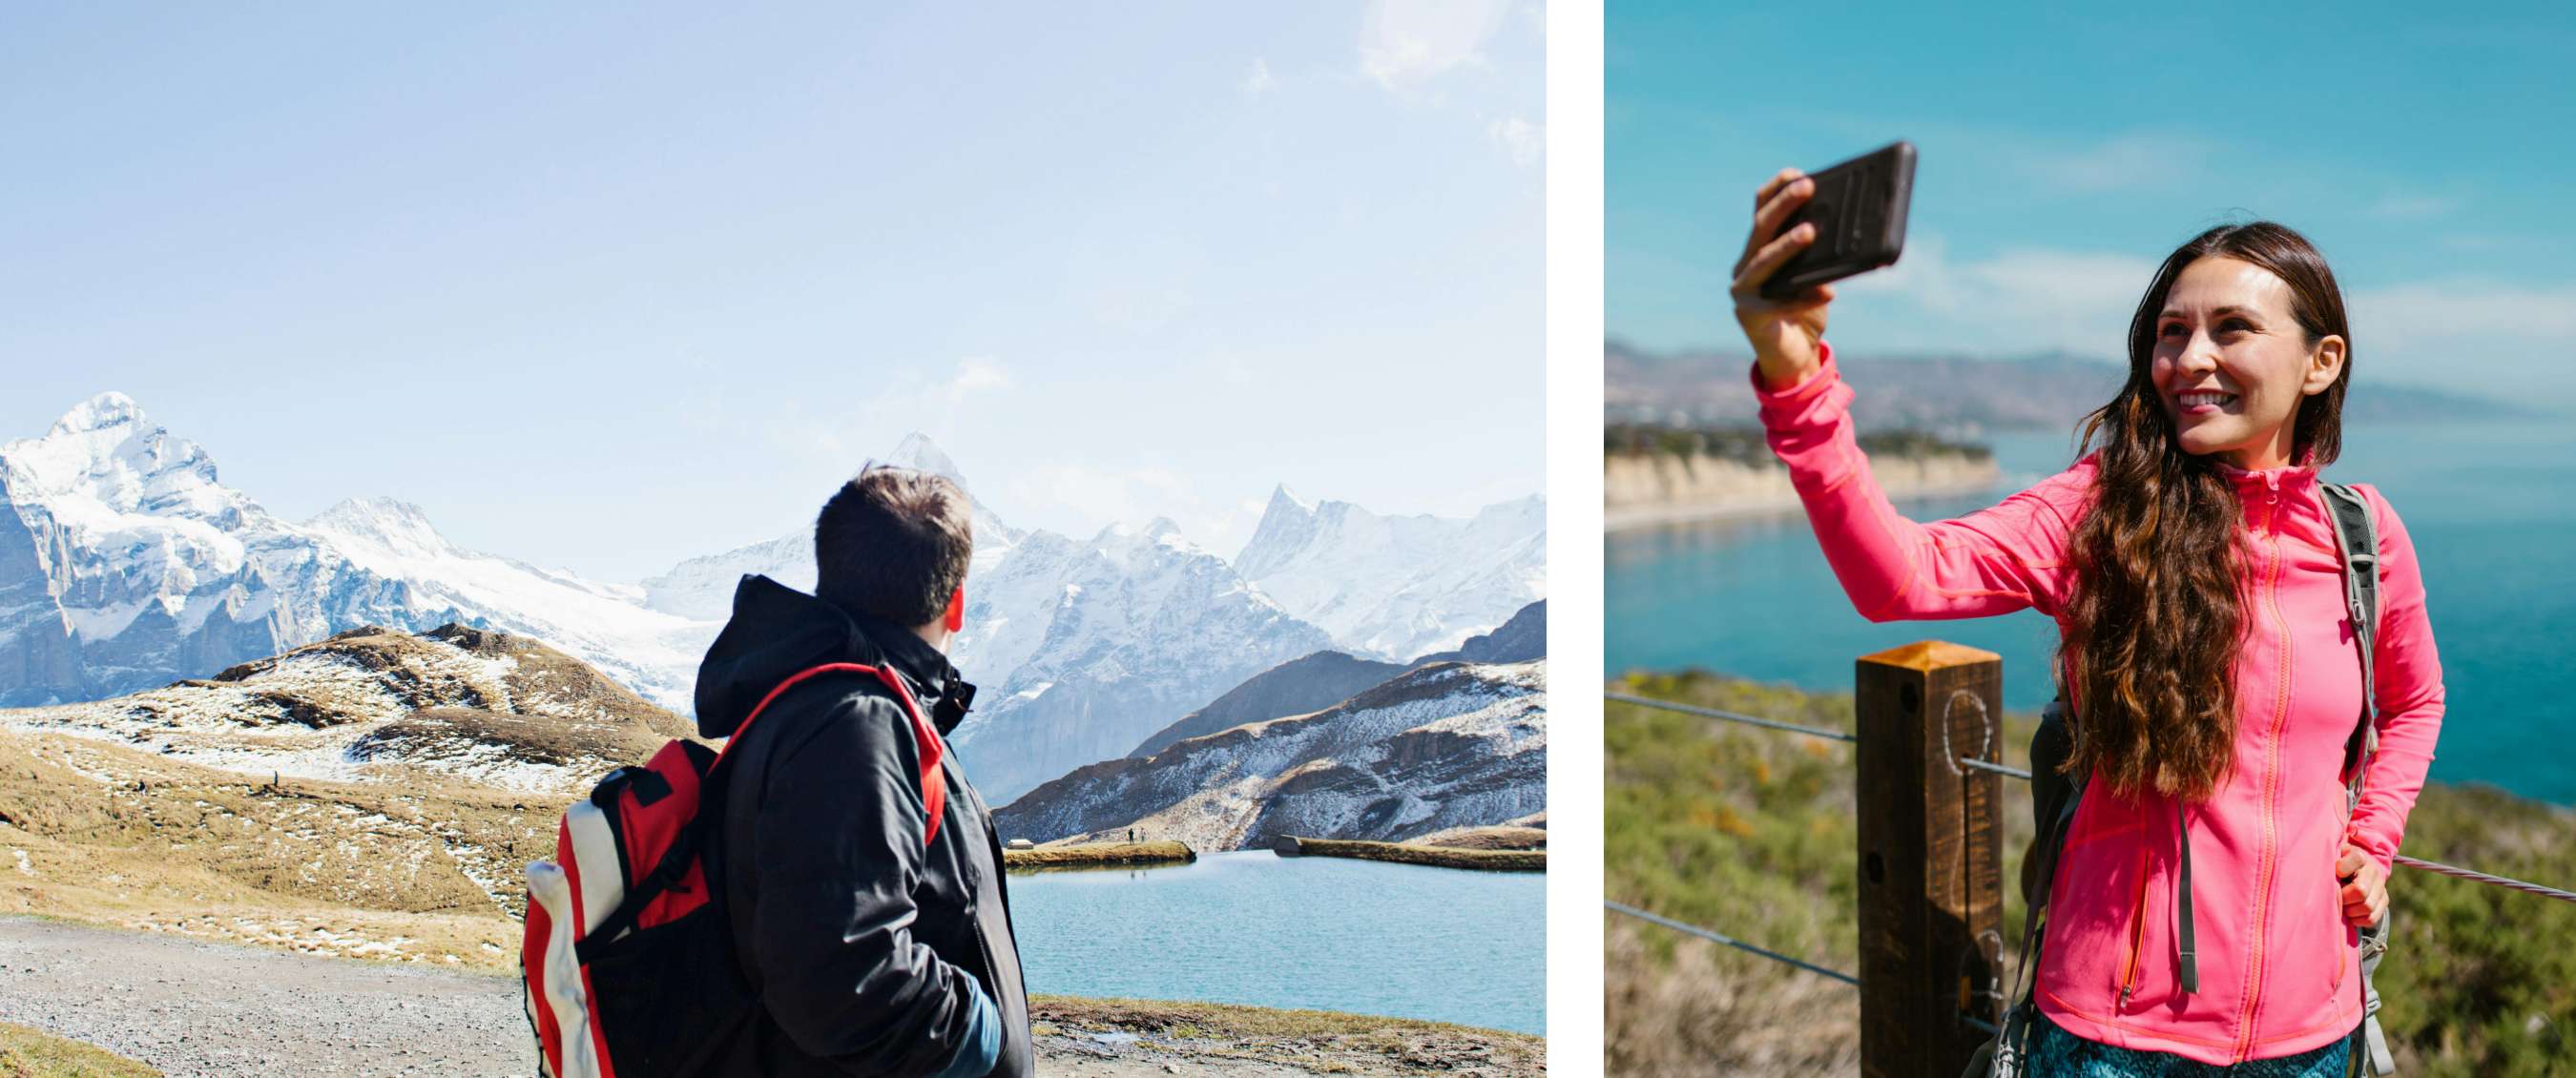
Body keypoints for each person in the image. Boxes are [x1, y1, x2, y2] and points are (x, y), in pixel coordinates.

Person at [1729, 169, 2444, 1074]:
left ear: (2321, 362)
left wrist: (2372, 840)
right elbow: (1900, 577)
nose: (2189, 360)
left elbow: (2415, 701)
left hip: (2313, 1033)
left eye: (2232, 330)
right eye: (2171, 333)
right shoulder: (2102, 514)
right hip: (2111, 1038)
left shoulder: (2363, 536)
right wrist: (1796, 378)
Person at [692, 465, 1029, 1078]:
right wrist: (984, 1035)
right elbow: (838, 977)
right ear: (955, 605)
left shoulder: (832, 707)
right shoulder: (857, 726)